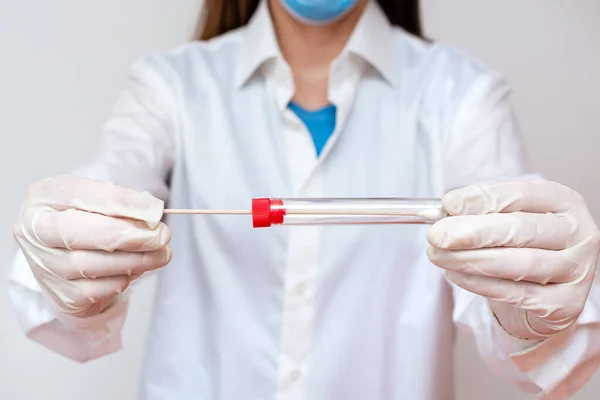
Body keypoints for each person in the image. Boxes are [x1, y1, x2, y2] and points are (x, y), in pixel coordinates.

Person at [8, 0, 600, 398]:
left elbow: (533, 329)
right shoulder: (172, 86)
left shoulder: (460, 96)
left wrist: (529, 306)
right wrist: (72, 248)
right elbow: (116, 178)